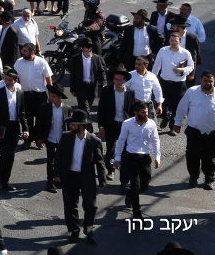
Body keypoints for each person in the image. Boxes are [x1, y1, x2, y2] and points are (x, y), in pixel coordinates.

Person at [53, 109, 106, 245]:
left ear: (81, 126)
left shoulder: (94, 141)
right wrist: (57, 175)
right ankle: (74, 230)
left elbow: (100, 161)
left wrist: (102, 179)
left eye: (73, 124)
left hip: (87, 177)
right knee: (70, 206)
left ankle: (88, 229)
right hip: (70, 176)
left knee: (90, 206)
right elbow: (58, 157)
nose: (70, 126)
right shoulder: (66, 137)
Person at [172, 71, 215, 190]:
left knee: (210, 157)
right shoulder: (192, 92)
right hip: (194, 131)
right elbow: (182, 108)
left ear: (214, 82)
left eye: (210, 81)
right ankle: (193, 177)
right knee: (192, 156)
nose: (208, 83)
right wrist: (177, 123)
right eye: (205, 80)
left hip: (213, 133)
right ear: (201, 81)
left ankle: (209, 179)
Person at [114, 101, 161, 218]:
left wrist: (157, 157)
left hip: (145, 158)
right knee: (135, 185)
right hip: (131, 157)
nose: (146, 114)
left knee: (145, 183)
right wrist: (117, 157)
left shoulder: (152, 124)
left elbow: (155, 140)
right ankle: (137, 213)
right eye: (143, 112)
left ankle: (130, 194)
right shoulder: (127, 123)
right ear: (135, 113)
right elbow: (121, 141)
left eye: (147, 112)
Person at [0, 67, 28, 192]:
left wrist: (26, 129)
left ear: (15, 81)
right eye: (6, 79)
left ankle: (4, 180)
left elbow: (22, 113)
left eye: (10, 80)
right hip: (2, 128)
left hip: (14, 127)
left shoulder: (20, 93)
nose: (7, 82)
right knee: (5, 154)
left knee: (11, 156)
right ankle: (0, 179)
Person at [153, 30, 195, 132]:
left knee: (177, 105)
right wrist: (153, 78)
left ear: (179, 41)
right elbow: (157, 66)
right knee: (163, 102)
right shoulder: (163, 50)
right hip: (165, 82)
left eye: (175, 41)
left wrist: (182, 70)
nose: (172, 42)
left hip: (179, 83)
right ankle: (165, 117)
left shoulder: (185, 53)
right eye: (171, 40)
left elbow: (191, 66)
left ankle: (172, 125)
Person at [34, 84, 70, 193]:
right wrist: (39, 138)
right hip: (50, 138)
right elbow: (39, 123)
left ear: (59, 97)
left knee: (62, 161)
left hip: (62, 139)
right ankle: (50, 182)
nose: (51, 98)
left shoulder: (67, 108)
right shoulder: (45, 107)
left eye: (54, 96)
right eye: (50, 96)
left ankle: (59, 179)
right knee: (51, 161)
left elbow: (70, 125)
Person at [66, 37, 106, 111]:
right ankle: (86, 121)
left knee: (87, 107)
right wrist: (72, 88)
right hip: (81, 87)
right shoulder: (75, 59)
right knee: (85, 108)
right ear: (82, 48)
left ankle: (83, 120)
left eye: (90, 47)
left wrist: (104, 83)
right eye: (86, 47)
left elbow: (102, 71)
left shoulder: (97, 59)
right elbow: (73, 74)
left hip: (92, 87)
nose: (89, 49)